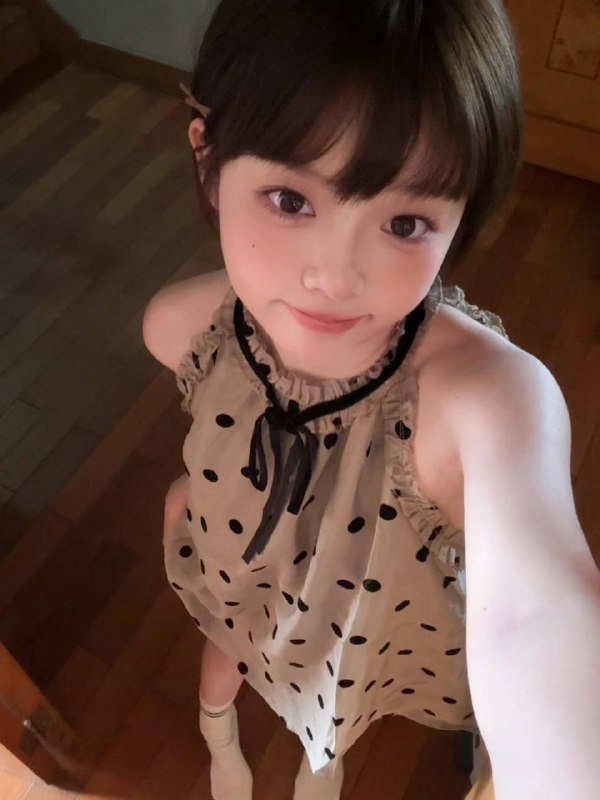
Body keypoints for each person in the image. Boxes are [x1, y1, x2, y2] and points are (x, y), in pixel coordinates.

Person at [143, 2, 600, 799]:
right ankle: (219, 729)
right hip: (237, 581)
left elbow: (537, 612)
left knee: (328, 711)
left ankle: (321, 763)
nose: (335, 275)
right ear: (209, 163)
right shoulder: (182, 330)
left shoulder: (483, 397)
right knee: (225, 656)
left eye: (405, 221)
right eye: (291, 201)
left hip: (348, 631)